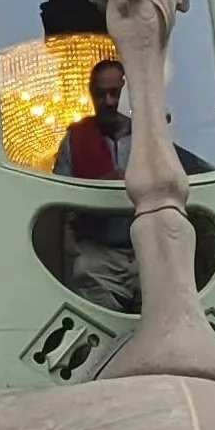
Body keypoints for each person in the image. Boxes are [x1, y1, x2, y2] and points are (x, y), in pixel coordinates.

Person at [53, 56, 140, 309]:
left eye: (115, 93)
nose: (108, 102)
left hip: (150, 247)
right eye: (101, 95)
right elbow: (59, 198)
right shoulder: (75, 138)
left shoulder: (149, 134)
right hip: (97, 252)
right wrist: (102, 186)